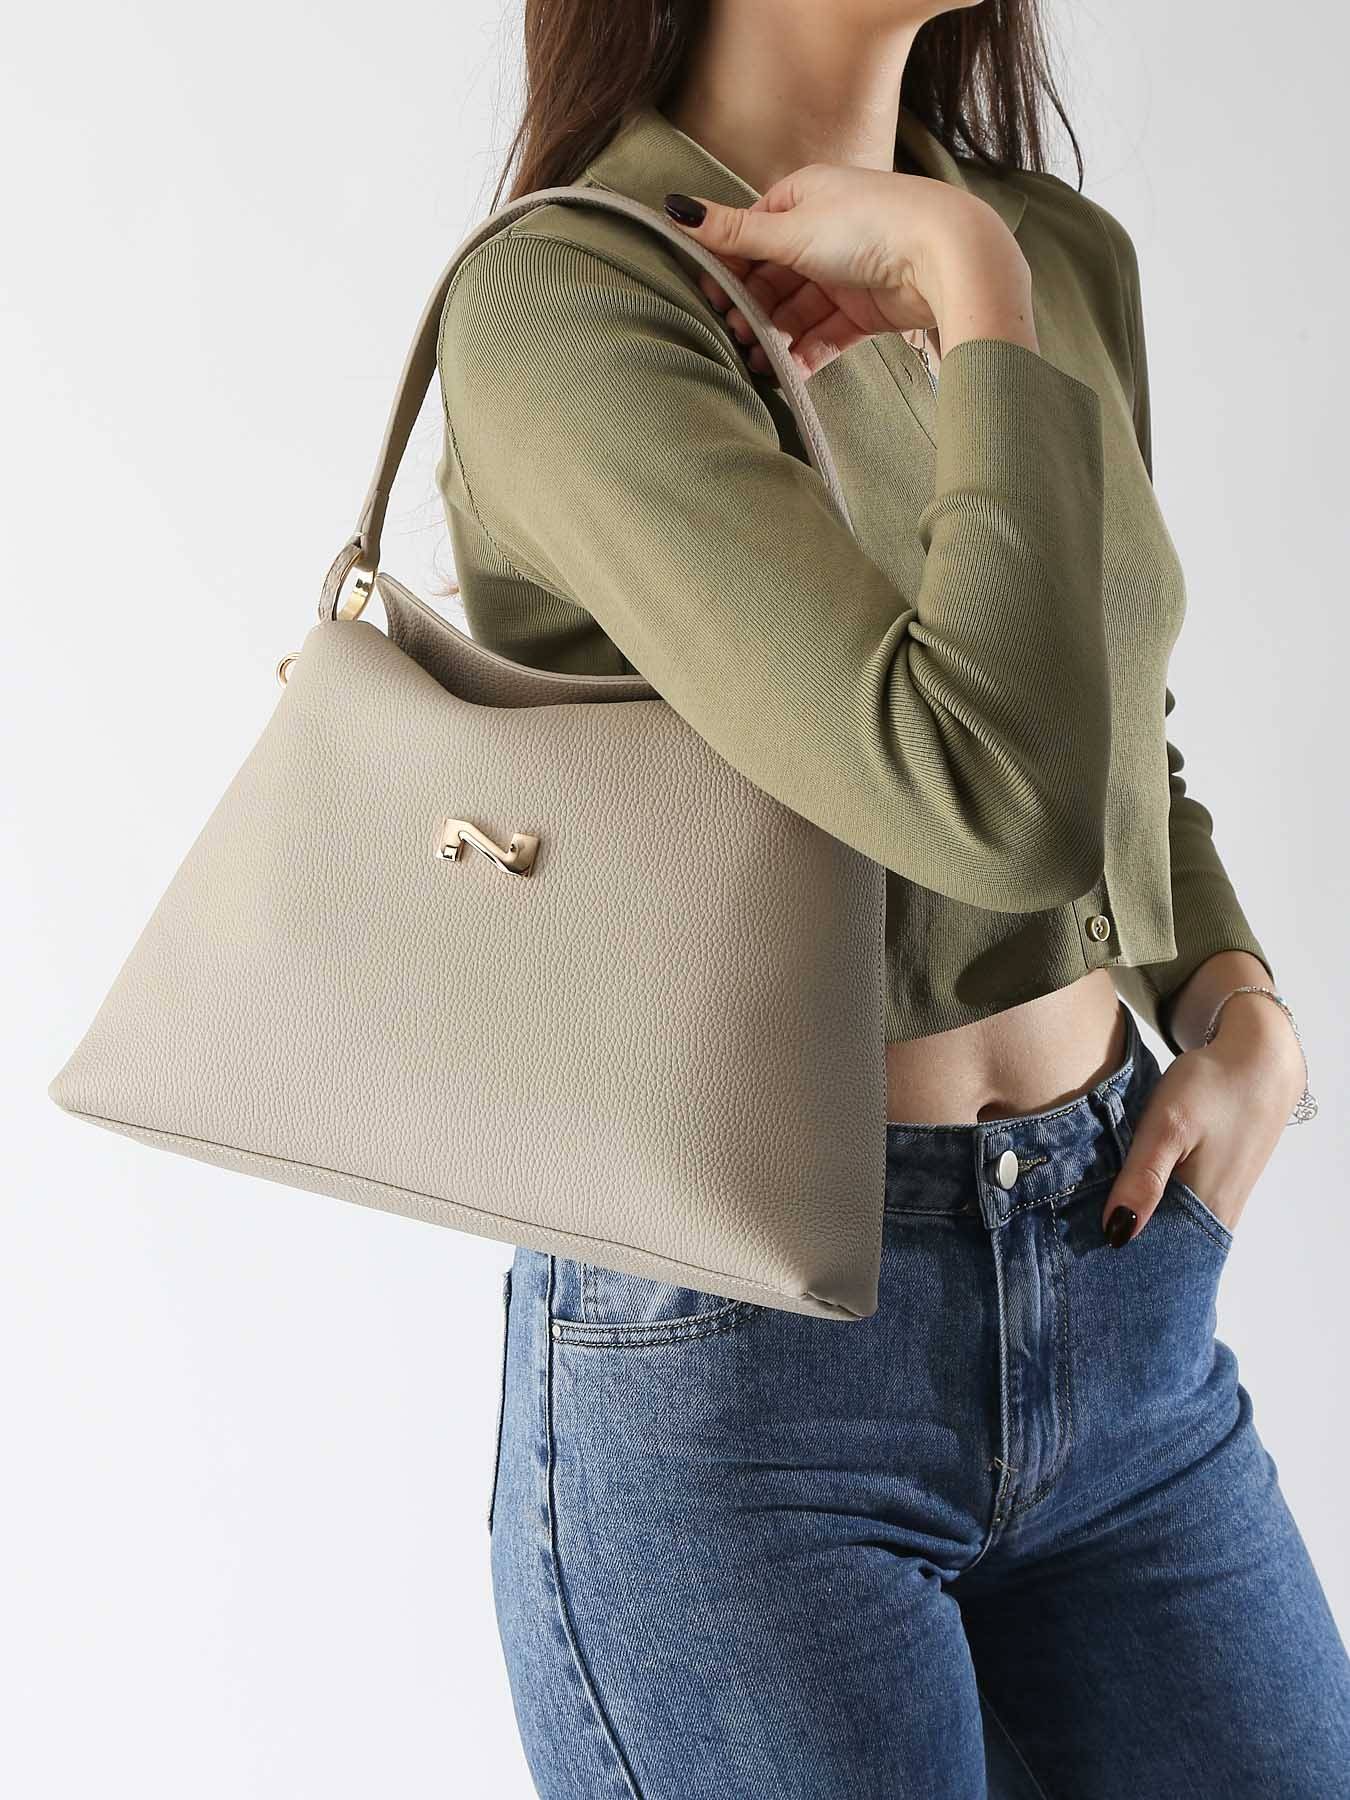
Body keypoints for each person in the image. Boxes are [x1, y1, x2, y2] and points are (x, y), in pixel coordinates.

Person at [435, 1, 1350, 1792]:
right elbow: (984, 796)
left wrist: (1235, 998)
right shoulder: (569, 301)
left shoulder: (1051, 249)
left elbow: (1108, 733)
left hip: (1120, 1294)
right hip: (747, 1374)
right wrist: (971, 297)